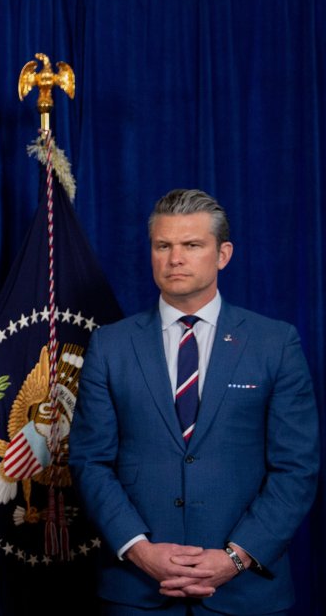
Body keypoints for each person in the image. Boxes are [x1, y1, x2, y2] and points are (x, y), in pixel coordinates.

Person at [70, 189, 319, 614]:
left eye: (191, 245)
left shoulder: (274, 343)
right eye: (163, 246)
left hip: (246, 593)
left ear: (223, 254)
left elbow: (296, 467)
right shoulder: (110, 345)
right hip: (137, 591)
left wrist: (236, 557)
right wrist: (139, 550)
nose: (175, 258)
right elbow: (89, 461)